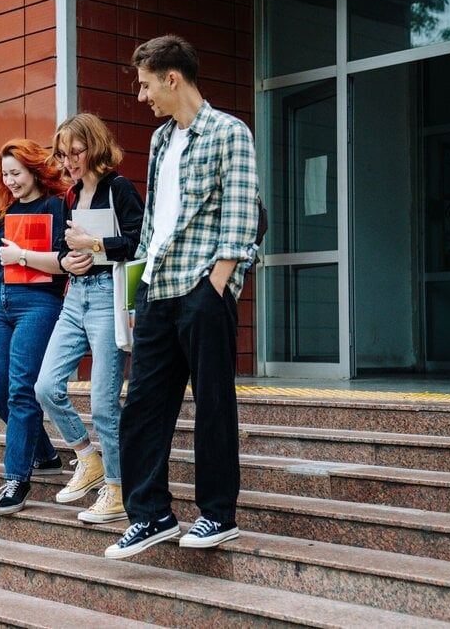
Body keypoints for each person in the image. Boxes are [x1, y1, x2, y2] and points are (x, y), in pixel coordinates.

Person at [105, 35, 260, 559]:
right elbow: (153, 225)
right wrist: (136, 292)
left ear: (172, 78)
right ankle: (151, 515)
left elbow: (240, 218)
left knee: (213, 404)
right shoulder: (160, 140)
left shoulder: (229, 133)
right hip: (156, 290)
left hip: (200, 289)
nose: (142, 96)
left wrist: (216, 284)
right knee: (142, 405)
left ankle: (218, 514)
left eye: (147, 85)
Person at [34, 113, 143, 524]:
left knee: (102, 404)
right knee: (45, 386)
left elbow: (138, 241)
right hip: (74, 295)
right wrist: (70, 259)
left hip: (105, 298)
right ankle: (87, 456)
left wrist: (94, 244)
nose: (68, 162)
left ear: (94, 146)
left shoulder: (119, 188)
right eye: (62, 155)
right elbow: (67, 251)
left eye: (74, 152)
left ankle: (116, 489)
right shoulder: (70, 196)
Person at [0, 139, 72, 515]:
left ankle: (16, 479)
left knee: (22, 389)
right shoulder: (4, 212)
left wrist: (20, 254)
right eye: (6, 175)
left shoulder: (55, 206)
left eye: (16, 173)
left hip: (39, 303)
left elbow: (64, 262)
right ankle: (45, 453)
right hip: (0, 301)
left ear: (34, 170)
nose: (11, 181)